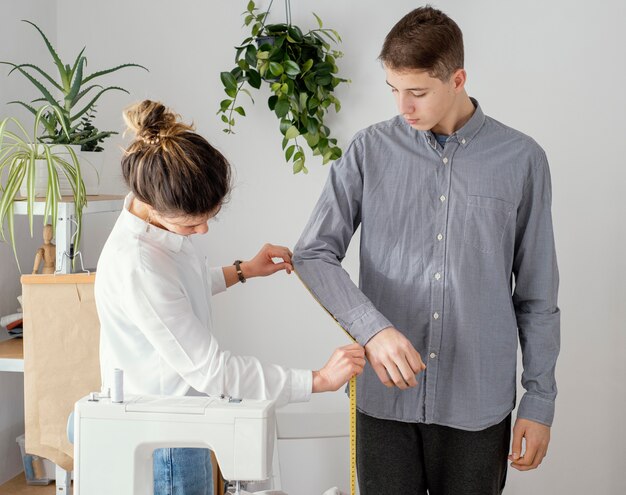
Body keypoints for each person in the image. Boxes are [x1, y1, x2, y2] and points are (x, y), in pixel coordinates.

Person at [293, 6, 560, 495]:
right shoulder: (369, 151)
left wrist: (539, 403)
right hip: (384, 399)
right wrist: (372, 331)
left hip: (478, 401)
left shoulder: (523, 160)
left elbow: (537, 295)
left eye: (417, 92)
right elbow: (312, 254)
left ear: (457, 79)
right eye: (394, 90)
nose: (403, 107)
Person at [94, 100, 366, 495]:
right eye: (193, 223)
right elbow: (214, 372)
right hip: (167, 443)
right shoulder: (138, 265)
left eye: (209, 218)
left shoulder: (158, 238)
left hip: (186, 425)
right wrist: (318, 381)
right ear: (153, 208)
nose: (203, 231)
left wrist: (243, 271)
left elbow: (181, 288)